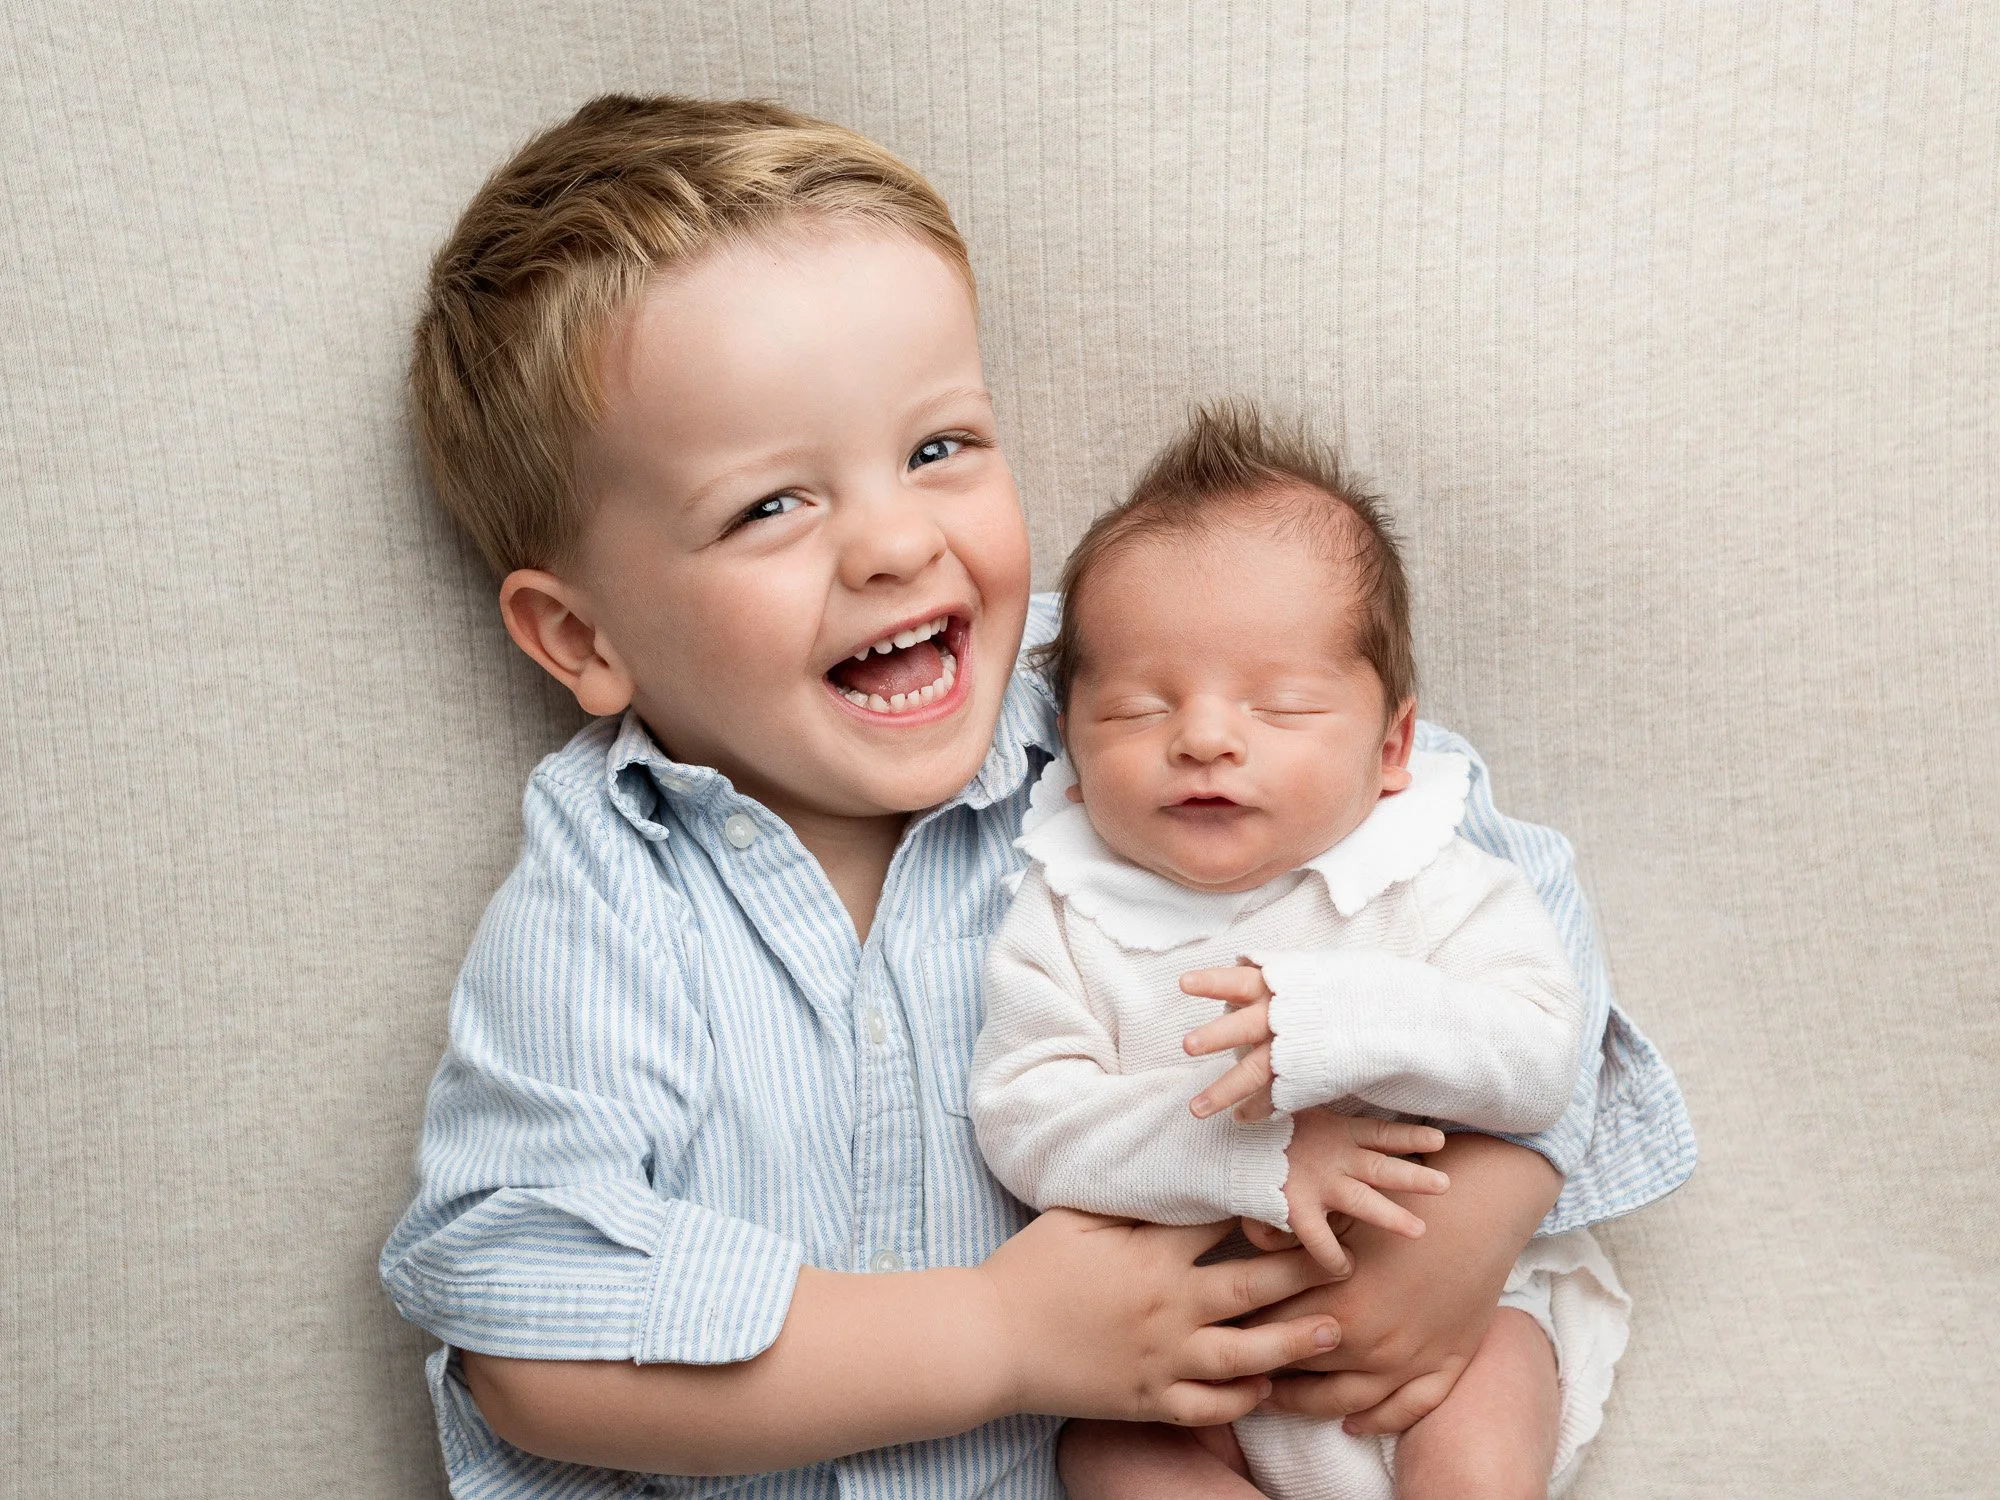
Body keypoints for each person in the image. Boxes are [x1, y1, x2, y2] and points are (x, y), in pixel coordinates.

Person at [378, 93, 1695, 1500]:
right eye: (771, 505)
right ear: (584, 638)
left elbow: (1490, 879)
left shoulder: (1124, 699)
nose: (896, 541)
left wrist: (1484, 1215)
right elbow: (528, 1325)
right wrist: (999, 1338)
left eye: (939, 448)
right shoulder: (608, 892)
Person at [972, 403, 1636, 1499]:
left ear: (1391, 749)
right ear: (1074, 760)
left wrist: (1345, 1022)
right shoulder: (1064, 915)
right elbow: (1026, 1120)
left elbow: (1538, 1061)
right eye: (1137, 710)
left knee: (1493, 1398)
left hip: (1447, 1332)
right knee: (1103, 1457)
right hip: (1198, 1363)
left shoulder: (1434, 880)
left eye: (1277, 704)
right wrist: (1250, 1159)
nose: (1203, 736)